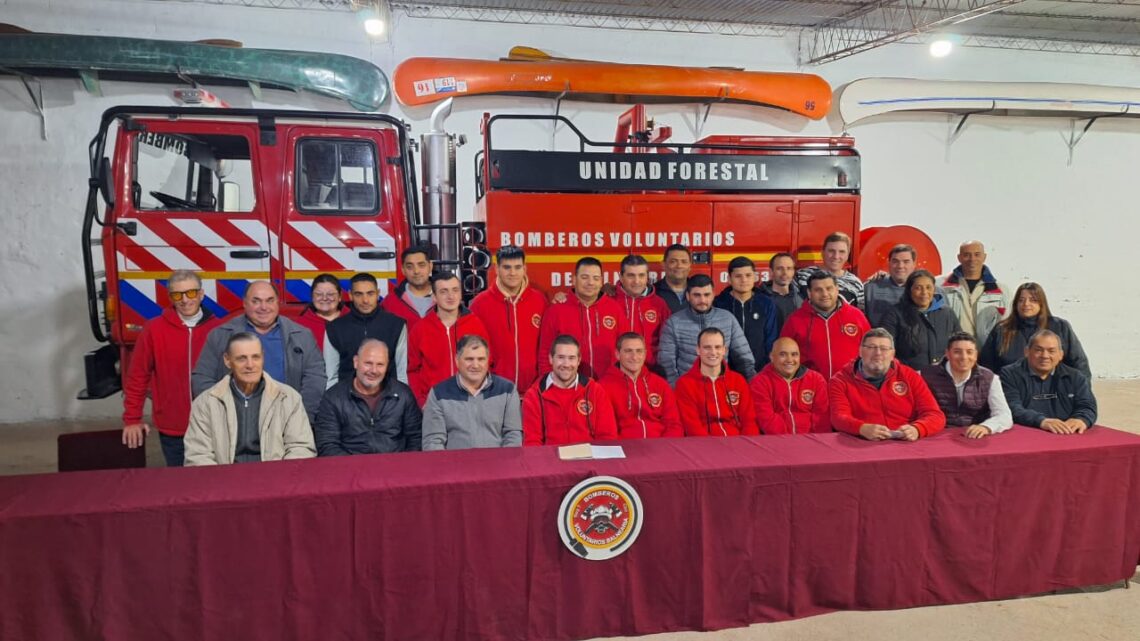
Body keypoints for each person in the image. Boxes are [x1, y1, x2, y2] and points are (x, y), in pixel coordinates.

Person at [121, 270, 222, 466]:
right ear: (170, 297)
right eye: (178, 295)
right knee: (180, 487)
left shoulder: (218, 330)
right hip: (173, 428)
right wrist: (132, 419)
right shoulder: (154, 329)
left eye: (191, 293)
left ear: (201, 294)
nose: (185, 300)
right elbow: (137, 377)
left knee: (215, 485)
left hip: (214, 426)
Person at [192, 281, 325, 420]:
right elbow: (202, 378)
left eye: (270, 300)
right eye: (256, 301)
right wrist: (223, 416)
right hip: (235, 422)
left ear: (277, 303)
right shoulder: (220, 335)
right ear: (245, 303)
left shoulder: (302, 335)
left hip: (287, 420)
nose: (264, 307)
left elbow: (315, 380)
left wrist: (299, 417)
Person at [184, 332, 316, 465]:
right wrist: (222, 482)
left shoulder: (289, 398)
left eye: (256, 357)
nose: (250, 365)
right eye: (241, 358)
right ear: (227, 360)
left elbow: (300, 448)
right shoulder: (205, 403)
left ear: (263, 357)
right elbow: (198, 455)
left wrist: (278, 479)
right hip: (223, 480)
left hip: (276, 479)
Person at [829, 328, 946, 441]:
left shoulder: (910, 376)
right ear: (860, 351)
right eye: (871, 347)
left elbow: (935, 415)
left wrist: (917, 429)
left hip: (906, 444)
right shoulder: (840, 380)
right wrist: (861, 428)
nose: (878, 353)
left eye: (884, 348)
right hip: (861, 444)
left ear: (892, 354)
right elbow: (838, 418)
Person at [312, 339, 421, 456]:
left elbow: (415, 438)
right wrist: (355, 468)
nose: (374, 370)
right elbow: (327, 445)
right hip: (348, 470)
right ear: (356, 362)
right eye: (368, 363)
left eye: (380, 364)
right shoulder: (333, 398)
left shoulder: (403, 394)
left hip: (395, 468)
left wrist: (401, 466)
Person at [469, 245, 548, 394]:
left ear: (524, 269)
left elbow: (547, 347)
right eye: (507, 267)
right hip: (494, 393)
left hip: (533, 393)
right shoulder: (479, 305)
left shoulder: (540, 301)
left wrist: (540, 383)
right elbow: (473, 350)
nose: (512, 273)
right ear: (497, 269)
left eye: (517, 267)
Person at [422, 335, 523, 450]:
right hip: (454, 466)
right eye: (469, 359)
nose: (475, 365)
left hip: (497, 465)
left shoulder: (507, 390)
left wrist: (504, 465)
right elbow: (433, 442)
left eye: (481, 359)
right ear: (457, 360)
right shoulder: (438, 393)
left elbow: (513, 436)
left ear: (488, 360)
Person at [408, 271, 493, 405]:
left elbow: (487, 363)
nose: (451, 296)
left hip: (471, 403)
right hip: (435, 405)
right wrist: (421, 401)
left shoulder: (475, 325)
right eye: (443, 291)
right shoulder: (420, 329)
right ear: (434, 297)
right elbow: (412, 370)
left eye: (455, 290)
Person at [537, 257, 626, 380]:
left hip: (608, 387)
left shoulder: (614, 309)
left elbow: (625, 348)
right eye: (584, 277)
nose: (590, 283)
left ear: (601, 282)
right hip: (569, 387)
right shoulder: (555, 311)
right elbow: (545, 354)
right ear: (574, 280)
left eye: (596, 278)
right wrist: (550, 385)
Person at [658, 274, 757, 384]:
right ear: (687, 296)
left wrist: (752, 387)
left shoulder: (728, 319)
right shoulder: (673, 322)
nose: (702, 300)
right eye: (697, 295)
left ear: (713, 295)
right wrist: (678, 391)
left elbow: (744, 360)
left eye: (707, 294)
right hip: (688, 390)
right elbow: (666, 364)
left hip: (721, 387)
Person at [522, 335, 618, 445]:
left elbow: (607, 437)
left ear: (579, 360)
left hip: (590, 459)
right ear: (550, 358)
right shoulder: (534, 395)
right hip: (550, 460)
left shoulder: (595, 391)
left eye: (571, 358)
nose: (566, 364)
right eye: (561, 357)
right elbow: (532, 442)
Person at [981, 282, 1090, 378]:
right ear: (1015, 304)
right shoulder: (1002, 330)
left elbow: (1079, 364)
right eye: (1021, 300)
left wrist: (1082, 396)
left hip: (1052, 395)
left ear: (1041, 303)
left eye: (1033, 300)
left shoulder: (1060, 327)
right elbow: (986, 366)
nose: (1026, 304)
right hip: (1010, 393)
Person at [999, 330, 1097, 435]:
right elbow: (1012, 408)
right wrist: (1041, 421)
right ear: (1027, 352)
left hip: (1066, 434)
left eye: (1051, 351)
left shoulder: (1075, 377)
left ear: (1061, 355)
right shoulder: (1009, 374)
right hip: (1026, 435)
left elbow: (1087, 406)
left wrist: (1081, 419)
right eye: (1038, 350)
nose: (1045, 356)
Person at [780, 271, 871, 379]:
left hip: (850, 387)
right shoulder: (795, 320)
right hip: (811, 389)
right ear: (809, 293)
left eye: (829, 288)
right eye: (818, 290)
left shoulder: (856, 316)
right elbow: (783, 356)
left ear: (837, 289)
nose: (825, 294)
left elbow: (870, 350)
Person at [324, 273, 408, 388]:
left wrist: (400, 401)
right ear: (350, 295)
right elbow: (331, 377)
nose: (365, 300)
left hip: (388, 398)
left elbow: (401, 373)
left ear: (378, 294)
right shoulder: (335, 328)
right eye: (359, 294)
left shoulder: (396, 325)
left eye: (370, 293)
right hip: (347, 399)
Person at [921, 332, 1012, 438]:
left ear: (976, 355)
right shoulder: (924, 375)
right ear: (947, 353)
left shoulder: (990, 378)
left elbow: (1004, 415)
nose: (964, 357)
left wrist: (986, 427)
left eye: (969, 352)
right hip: (934, 436)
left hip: (973, 436)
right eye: (957, 352)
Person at [674, 328, 759, 436]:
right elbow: (691, 426)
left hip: (738, 443)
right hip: (703, 446)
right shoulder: (685, 384)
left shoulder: (738, 381)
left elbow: (749, 421)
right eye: (707, 347)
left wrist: (746, 446)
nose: (713, 352)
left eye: (717, 347)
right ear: (698, 350)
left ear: (724, 350)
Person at [599, 332, 683, 439]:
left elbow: (674, 424)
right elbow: (606, 430)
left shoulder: (660, 384)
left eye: (639, 351)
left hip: (661, 447)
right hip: (626, 449)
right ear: (617, 354)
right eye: (628, 351)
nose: (634, 357)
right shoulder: (603, 387)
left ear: (645, 354)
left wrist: (665, 447)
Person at [879, 269, 962, 370]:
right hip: (909, 376)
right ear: (909, 290)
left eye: (928, 287)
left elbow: (959, 343)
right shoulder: (894, 314)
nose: (924, 292)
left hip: (943, 377)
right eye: (918, 288)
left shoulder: (947, 313)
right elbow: (885, 349)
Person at [750, 337, 830, 435]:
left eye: (794, 354)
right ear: (772, 356)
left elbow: (822, 418)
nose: (789, 360)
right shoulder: (759, 382)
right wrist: (790, 441)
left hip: (813, 441)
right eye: (783, 354)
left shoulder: (816, 380)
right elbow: (766, 419)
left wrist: (817, 442)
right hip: (776, 442)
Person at [938, 240, 1011, 346]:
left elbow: (1007, 325)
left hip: (988, 355)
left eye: (977, 255)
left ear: (984, 257)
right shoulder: (940, 286)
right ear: (959, 257)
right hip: (954, 352)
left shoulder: (1002, 291)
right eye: (967, 255)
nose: (972, 259)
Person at [714, 256, 779, 371]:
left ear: (755, 277)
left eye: (748, 275)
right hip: (726, 373)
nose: (744, 280)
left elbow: (771, 340)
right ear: (729, 279)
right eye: (738, 276)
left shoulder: (766, 304)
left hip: (759, 371)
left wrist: (767, 369)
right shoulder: (719, 304)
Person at [613, 254, 672, 373]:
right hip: (615, 372)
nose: (636, 281)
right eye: (631, 275)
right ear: (621, 277)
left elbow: (667, 344)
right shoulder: (609, 301)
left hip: (650, 372)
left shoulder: (659, 304)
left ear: (647, 277)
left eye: (641, 275)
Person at [794, 232, 864, 308]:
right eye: (831, 251)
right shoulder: (802, 275)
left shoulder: (855, 283)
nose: (836, 256)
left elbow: (859, 315)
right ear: (822, 253)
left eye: (842, 252)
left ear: (847, 255)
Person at [379, 245, 435, 329]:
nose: (416, 271)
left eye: (421, 265)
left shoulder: (446, 297)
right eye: (409, 267)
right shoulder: (390, 303)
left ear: (430, 266)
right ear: (403, 270)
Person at [864, 244, 917, 326]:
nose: (900, 266)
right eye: (895, 261)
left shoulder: (926, 291)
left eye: (906, 262)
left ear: (914, 264)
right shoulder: (870, 289)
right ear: (889, 263)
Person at [294, 274, 348, 352]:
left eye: (330, 294)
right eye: (319, 294)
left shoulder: (353, 319)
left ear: (340, 296)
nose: (325, 298)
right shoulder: (299, 326)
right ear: (312, 297)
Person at [758, 252, 803, 329]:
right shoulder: (759, 298)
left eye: (789, 268)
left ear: (793, 272)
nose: (785, 273)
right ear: (771, 272)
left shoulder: (802, 299)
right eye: (780, 268)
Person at [654, 243, 691, 313]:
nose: (679, 266)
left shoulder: (699, 291)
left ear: (689, 266)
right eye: (673, 261)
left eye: (684, 262)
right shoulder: (653, 292)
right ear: (663, 265)